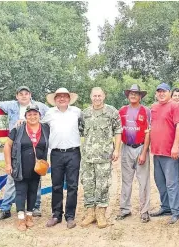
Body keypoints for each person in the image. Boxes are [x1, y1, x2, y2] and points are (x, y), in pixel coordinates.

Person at [0, 86, 49, 221]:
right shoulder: (11, 105)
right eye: (20, 94)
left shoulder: (39, 106)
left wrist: (40, 124)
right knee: (13, 179)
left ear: (30, 95)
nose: (23, 96)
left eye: (26, 94)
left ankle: (35, 206)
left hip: (35, 146)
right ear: (17, 96)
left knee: (36, 176)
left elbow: (52, 115)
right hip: (17, 147)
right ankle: (5, 208)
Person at [80, 87, 122, 229]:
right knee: (88, 185)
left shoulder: (112, 112)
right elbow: (80, 132)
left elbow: (118, 131)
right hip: (88, 157)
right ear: (91, 97)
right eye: (94, 96)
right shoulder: (84, 114)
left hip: (104, 156)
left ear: (104, 96)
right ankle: (90, 213)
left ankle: (101, 214)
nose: (97, 98)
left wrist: (116, 150)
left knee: (103, 185)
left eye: (99, 95)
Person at [3, 104, 50, 231]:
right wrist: (8, 164)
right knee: (20, 192)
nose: (33, 116)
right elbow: (7, 146)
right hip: (20, 166)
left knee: (33, 191)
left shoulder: (45, 128)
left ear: (40, 116)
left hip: (37, 167)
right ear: (25, 116)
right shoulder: (18, 129)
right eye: (29, 114)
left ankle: (29, 216)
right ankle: (20, 218)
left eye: (35, 114)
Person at [42, 88, 82, 229]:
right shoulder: (49, 113)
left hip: (73, 152)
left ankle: (70, 216)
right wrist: (22, 120)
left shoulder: (77, 112)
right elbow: (36, 122)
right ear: (55, 99)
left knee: (72, 185)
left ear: (69, 99)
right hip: (56, 153)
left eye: (65, 96)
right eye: (59, 97)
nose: (62, 99)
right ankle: (56, 215)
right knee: (56, 185)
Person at [149, 83, 179, 224]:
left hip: (170, 152)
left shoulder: (174, 106)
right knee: (160, 182)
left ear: (169, 93)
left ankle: (177, 211)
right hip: (157, 151)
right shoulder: (154, 107)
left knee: (172, 183)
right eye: (159, 92)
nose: (161, 94)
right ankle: (166, 207)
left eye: (164, 91)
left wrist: (175, 146)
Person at [116, 84, 152, 223]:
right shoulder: (122, 111)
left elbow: (148, 133)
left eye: (136, 94)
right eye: (131, 93)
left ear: (140, 96)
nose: (133, 95)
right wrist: (117, 149)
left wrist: (144, 153)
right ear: (128, 95)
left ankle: (144, 211)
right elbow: (117, 131)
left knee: (143, 181)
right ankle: (125, 209)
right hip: (126, 148)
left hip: (141, 147)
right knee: (126, 181)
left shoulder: (146, 111)